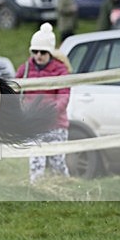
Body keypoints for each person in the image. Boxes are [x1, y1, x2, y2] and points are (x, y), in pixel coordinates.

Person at [16, 22, 71, 183]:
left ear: (50, 52)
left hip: (56, 124)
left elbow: (64, 96)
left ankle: (63, 188)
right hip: (34, 123)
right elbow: (15, 89)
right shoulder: (25, 69)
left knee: (57, 163)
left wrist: (50, 112)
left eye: (43, 52)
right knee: (36, 163)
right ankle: (37, 190)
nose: (38, 55)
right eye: (35, 51)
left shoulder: (61, 71)